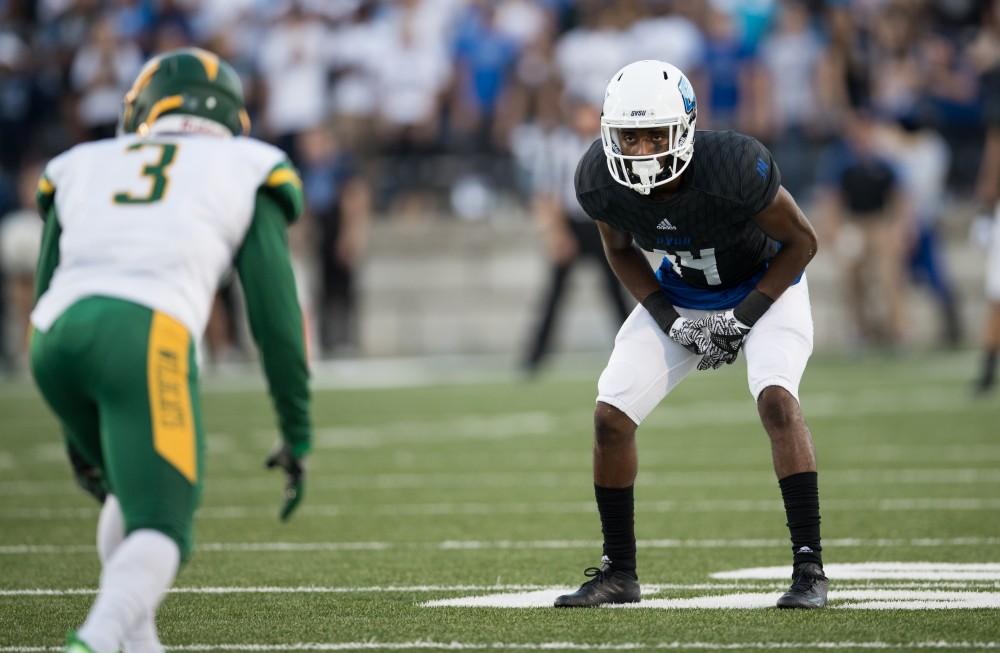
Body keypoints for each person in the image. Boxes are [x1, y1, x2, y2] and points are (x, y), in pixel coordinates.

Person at [30, 48, 312, 653]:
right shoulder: (249, 164)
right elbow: (275, 314)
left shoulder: (81, 161)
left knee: (127, 494)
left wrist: (74, 431)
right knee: (163, 523)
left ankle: (140, 645)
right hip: (146, 330)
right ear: (235, 116)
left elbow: (45, 280)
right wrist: (297, 426)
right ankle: (98, 640)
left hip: (52, 336)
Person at [554, 60, 826, 610]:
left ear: (687, 128)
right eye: (630, 137)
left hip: (765, 288)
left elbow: (802, 243)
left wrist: (742, 319)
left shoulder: (732, 165)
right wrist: (672, 322)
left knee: (777, 401)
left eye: (657, 134)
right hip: (684, 293)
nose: (645, 149)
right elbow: (620, 249)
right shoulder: (599, 179)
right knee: (610, 417)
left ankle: (809, 566)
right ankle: (619, 572)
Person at [522, 97, 629, 373]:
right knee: (554, 295)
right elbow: (548, 193)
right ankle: (535, 357)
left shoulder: (609, 147)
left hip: (601, 225)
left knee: (617, 291)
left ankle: (631, 352)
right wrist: (557, 234)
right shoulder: (559, 147)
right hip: (571, 224)